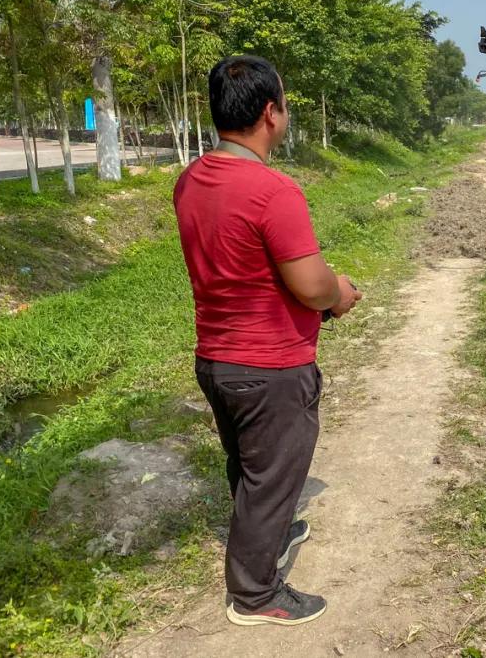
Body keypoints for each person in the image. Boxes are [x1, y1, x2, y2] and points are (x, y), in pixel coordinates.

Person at [173, 55, 362, 626]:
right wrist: (340, 294)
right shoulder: (273, 191)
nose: (286, 111)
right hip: (271, 367)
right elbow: (310, 285)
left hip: (217, 359)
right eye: (284, 101)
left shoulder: (192, 180)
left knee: (250, 466)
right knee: (273, 474)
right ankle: (256, 595)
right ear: (268, 114)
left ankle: (270, 532)